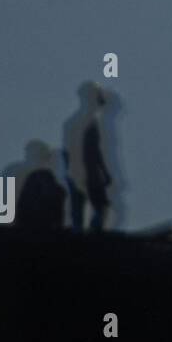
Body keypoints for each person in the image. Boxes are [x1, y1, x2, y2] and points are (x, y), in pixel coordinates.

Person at [62, 82, 114, 233]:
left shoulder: (73, 122)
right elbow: (93, 151)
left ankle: (83, 235)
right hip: (86, 173)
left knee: (81, 209)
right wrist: (104, 172)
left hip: (78, 172)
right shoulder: (85, 123)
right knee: (98, 206)